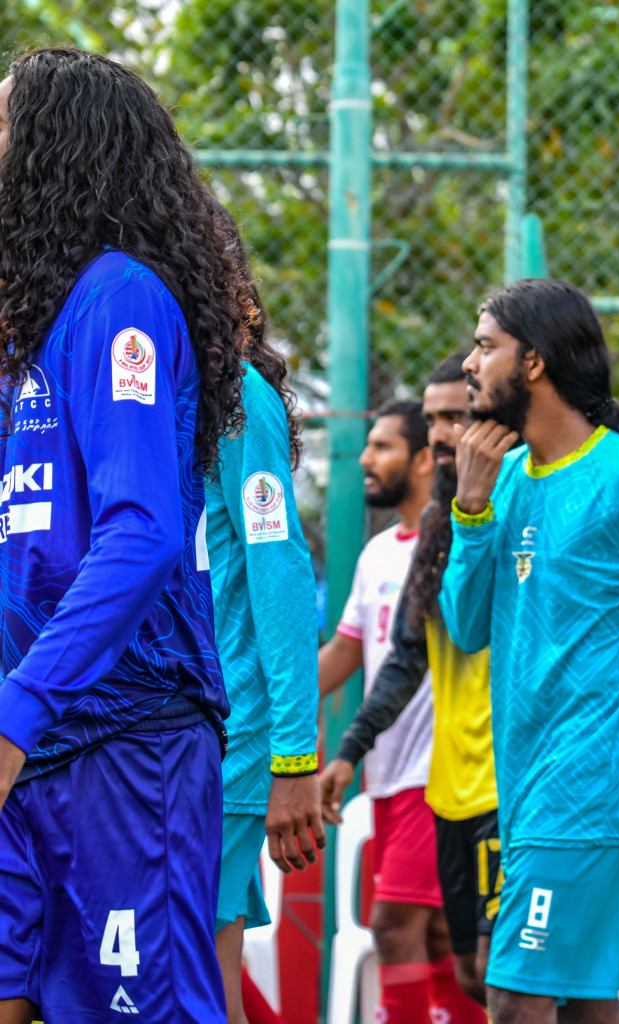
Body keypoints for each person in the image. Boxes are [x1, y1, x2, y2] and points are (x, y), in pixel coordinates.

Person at [0, 47, 249, 1021]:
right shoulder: (28, 332)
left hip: (121, 739)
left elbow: (142, 533)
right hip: (36, 741)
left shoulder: (118, 300)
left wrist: (20, 712)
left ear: (59, 151)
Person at [440, 279, 619, 1024]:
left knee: (515, 999)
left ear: (532, 362)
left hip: (588, 791)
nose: (469, 363)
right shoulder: (501, 482)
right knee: (588, 1007)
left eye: (484, 345)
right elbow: (467, 628)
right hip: (528, 790)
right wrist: (469, 512)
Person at [319, 354, 494, 1021]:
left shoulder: (476, 528)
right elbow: (357, 652)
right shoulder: (379, 554)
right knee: (457, 951)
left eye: (381, 445)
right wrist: (279, 715)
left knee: (395, 926)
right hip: (389, 776)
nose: (365, 458)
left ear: (424, 458)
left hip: (445, 769)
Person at [206, 226, 325, 1024]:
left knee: (190, 960)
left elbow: (278, 577)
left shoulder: (239, 397)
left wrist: (293, 759)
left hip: (234, 732)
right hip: (185, 728)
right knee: (205, 966)